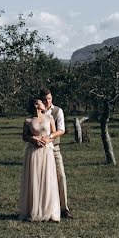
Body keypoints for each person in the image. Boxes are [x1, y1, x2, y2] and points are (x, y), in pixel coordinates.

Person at [18, 97, 60, 222]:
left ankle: (49, 211)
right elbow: (24, 137)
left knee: (47, 179)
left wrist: (47, 139)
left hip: (46, 152)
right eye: (41, 102)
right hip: (33, 152)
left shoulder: (49, 118)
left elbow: (53, 133)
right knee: (35, 180)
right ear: (36, 105)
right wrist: (33, 139)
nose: (44, 103)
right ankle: (34, 210)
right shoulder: (28, 121)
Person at [41, 87, 72, 218]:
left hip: (54, 148)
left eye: (49, 98)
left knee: (61, 176)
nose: (47, 101)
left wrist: (50, 137)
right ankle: (44, 207)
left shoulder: (58, 111)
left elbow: (62, 129)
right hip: (40, 150)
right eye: (45, 99)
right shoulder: (37, 111)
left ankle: (64, 208)